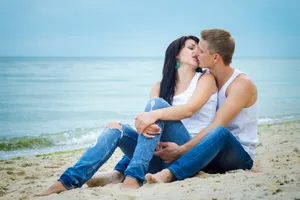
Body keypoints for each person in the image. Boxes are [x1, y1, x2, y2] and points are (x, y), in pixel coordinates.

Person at [35, 35, 218, 196]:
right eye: (191, 47)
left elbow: (189, 110)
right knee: (116, 127)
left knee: (156, 107)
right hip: (158, 157)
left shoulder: (206, 79)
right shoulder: (159, 86)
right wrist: (146, 122)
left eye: (199, 49)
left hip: (188, 154)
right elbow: (150, 124)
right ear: (176, 54)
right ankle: (67, 181)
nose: (196, 52)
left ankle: (132, 178)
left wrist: (153, 115)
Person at [145, 29, 259, 183]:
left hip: (237, 155)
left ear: (215, 57)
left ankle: (170, 174)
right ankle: (124, 172)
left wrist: (181, 150)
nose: (197, 54)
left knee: (220, 132)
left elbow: (216, 125)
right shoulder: (206, 78)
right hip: (206, 152)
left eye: (201, 51)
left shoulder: (241, 84)